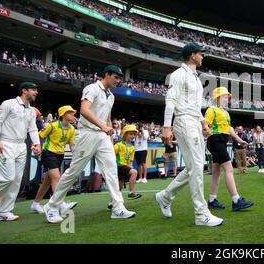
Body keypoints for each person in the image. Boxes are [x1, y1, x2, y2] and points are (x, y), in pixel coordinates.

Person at [43, 65, 136, 223]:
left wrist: (109, 135)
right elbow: (84, 110)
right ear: (107, 75)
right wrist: (103, 126)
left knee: (111, 170)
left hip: (102, 136)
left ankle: (118, 207)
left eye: (120, 78)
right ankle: (51, 206)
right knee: (74, 171)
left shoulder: (111, 96)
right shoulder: (92, 88)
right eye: (116, 77)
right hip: (86, 134)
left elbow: (107, 117)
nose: (118, 81)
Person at [155, 42, 223, 227]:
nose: (203, 57)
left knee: (195, 166)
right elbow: (170, 100)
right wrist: (166, 127)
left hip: (193, 120)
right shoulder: (178, 75)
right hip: (183, 121)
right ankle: (201, 214)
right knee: (196, 168)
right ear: (193, 55)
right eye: (201, 54)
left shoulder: (195, 77)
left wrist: (203, 122)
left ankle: (165, 196)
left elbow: (194, 106)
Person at [0, 82, 42, 221]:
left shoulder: (31, 110)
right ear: (24, 90)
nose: (36, 92)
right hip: (5, 143)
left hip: (21, 146)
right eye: (33, 89)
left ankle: (4, 211)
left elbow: (32, 129)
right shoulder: (8, 103)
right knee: (6, 179)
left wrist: (37, 144)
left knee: (15, 180)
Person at [204, 87, 253, 211]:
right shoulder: (212, 109)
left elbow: (230, 129)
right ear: (218, 98)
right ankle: (236, 200)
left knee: (216, 171)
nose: (227, 99)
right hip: (215, 141)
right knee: (229, 168)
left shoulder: (225, 112)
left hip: (221, 141)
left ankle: (212, 200)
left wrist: (240, 140)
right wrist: (205, 131)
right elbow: (205, 124)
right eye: (225, 97)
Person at [30, 105, 78, 214]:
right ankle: (60, 203)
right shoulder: (52, 126)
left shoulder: (71, 129)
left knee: (47, 181)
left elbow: (71, 145)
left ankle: (35, 204)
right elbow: (39, 136)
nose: (73, 115)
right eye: (70, 112)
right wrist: (35, 146)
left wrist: (75, 156)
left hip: (60, 155)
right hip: (48, 153)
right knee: (56, 178)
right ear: (63, 115)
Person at [107, 124, 141, 210]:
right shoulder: (118, 145)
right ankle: (131, 192)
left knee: (119, 187)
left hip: (125, 167)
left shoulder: (132, 148)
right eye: (130, 134)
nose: (133, 136)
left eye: (134, 134)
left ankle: (111, 203)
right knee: (134, 172)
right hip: (118, 166)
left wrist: (130, 167)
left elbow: (130, 161)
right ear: (125, 134)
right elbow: (111, 155)